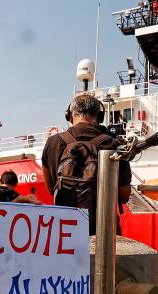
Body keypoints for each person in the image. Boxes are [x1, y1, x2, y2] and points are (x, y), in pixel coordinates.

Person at [41, 93, 132, 235]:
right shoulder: (113, 144)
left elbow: (51, 189)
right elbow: (124, 195)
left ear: (70, 116)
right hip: (104, 232)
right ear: (100, 117)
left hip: (65, 232)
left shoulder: (52, 143)